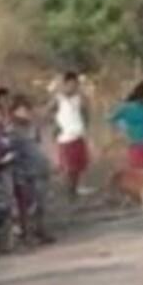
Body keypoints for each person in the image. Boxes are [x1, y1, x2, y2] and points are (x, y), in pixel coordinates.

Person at [5, 97, 55, 244]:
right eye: (21, 110)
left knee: (41, 203)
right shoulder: (11, 129)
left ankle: (40, 230)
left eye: (27, 110)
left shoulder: (33, 127)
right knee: (26, 206)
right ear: (14, 112)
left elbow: (39, 145)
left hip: (39, 168)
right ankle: (26, 234)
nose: (25, 113)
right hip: (23, 171)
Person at [48, 71, 91, 199]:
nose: (73, 86)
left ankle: (74, 189)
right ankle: (69, 192)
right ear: (65, 84)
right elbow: (47, 112)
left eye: (75, 84)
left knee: (79, 166)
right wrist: (56, 125)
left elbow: (86, 113)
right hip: (65, 138)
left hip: (78, 136)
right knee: (70, 167)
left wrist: (85, 126)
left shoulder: (79, 98)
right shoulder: (58, 98)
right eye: (70, 84)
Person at [109, 79, 143, 171]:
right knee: (140, 173)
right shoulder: (127, 108)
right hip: (136, 145)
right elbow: (111, 118)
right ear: (142, 96)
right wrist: (119, 131)